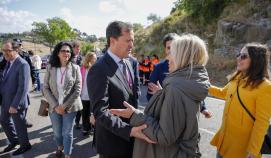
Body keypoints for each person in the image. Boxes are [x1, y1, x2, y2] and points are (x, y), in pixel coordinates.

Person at [110, 34, 210, 158]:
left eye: (172, 52)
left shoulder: (175, 88)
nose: (167, 57)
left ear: (182, 56)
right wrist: (163, 95)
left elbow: (164, 136)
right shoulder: (190, 82)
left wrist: (134, 115)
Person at [87, 21, 152, 158]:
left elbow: (134, 92)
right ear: (112, 41)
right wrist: (129, 130)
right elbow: (100, 111)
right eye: (127, 40)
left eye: (132, 40)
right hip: (113, 143)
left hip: (133, 137)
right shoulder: (98, 69)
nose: (132, 45)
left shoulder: (131, 62)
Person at [208, 43, 271, 158]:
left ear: (256, 60)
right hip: (224, 143)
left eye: (244, 56)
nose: (238, 58)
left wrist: (253, 152)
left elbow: (261, 123)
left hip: (242, 150)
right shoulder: (236, 78)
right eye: (238, 55)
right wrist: (204, 85)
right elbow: (222, 93)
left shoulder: (266, 87)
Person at [147, 33, 212, 118]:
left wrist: (203, 108)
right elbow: (150, 94)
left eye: (175, 47)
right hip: (163, 114)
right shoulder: (159, 67)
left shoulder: (190, 68)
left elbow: (193, 90)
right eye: (168, 48)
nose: (171, 51)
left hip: (186, 116)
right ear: (165, 49)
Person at [43, 41, 83, 158]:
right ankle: (60, 147)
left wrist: (64, 106)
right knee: (57, 132)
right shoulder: (50, 67)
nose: (66, 53)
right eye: (63, 50)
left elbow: (78, 89)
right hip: (53, 106)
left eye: (68, 51)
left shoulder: (75, 68)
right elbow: (45, 88)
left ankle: (67, 154)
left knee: (67, 132)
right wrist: (56, 106)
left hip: (70, 106)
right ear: (57, 53)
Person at [0, 40, 32, 155]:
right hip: (5, 100)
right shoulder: (7, 62)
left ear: (16, 50)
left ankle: (25, 145)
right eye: (3, 50)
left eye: (7, 50)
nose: (5, 53)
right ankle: (14, 141)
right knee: (3, 120)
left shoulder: (23, 64)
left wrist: (15, 105)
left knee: (20, 126)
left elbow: (23, 87)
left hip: (16, 102)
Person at [13, 38, 34, 128]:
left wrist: (34, 80)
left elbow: (31, 67)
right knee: (12, 102)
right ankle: (14, 121)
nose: (18, 47)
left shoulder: (25, 55)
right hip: (13, 82)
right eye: (16, 45)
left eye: (20, 45)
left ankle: (23, 119)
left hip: (24, 82)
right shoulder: (10, 55)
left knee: (25, 101)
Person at [80, 52, 97, 136]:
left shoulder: (96, 68)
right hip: (83, 95)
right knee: (84, 113)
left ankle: (94, 127)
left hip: (93, 95)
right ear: (89, 58)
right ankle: (86, 128)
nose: (96, 59)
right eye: (94, 58)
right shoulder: (82, 68)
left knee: (93, 113)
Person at [72, 41, 83, 129]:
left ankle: (77, 122)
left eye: (79, 48)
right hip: (70, 85)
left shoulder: (81, 58)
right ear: (73, 48)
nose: (78, 50)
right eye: (77, 48)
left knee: (79, 102)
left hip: (80, 83)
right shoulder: (68, 57)